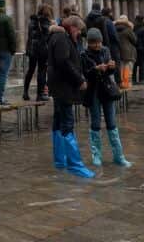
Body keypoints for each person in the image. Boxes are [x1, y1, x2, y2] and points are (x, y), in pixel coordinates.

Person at [47, 15, 94, 178]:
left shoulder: (59, 37)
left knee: (59, 121)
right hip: (63, 86)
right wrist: (79, 79)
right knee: (67, 122)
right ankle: (75, 165)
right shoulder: (61, 38)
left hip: (58, 85)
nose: (79, 34)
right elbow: (64, 62)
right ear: (73, 27)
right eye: (79, 30)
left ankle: (60, 160)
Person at [82, 28, 132, 168]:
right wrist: (96, 69)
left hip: (107, 90)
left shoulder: (106, 50)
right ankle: (96, 156)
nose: (97, 45)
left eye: (98, 42)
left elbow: (111, 70)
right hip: (93, 91)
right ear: (89, 43)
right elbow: (85, 73)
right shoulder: (84, 54)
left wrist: (111, 66)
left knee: (112, 122)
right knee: (96, 122)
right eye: (94, 43)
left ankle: (119, 156)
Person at [23, 4, 53, 101]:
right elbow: (48, 33)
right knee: (42, 71)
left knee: (30, 70)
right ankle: (40, 94)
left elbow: (30, 36)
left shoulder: (32, 21)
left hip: (32, 49)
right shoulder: (45, 21)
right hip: (41, 49)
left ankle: (25, 92)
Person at [114, 15, 137, 89]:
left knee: (121, 68)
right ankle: (127, 84)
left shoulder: (114, 29)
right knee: (128, 69)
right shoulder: (128, 30)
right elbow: (135, 40)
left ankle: (121, 84)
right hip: (128, 52)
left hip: (118, 51)